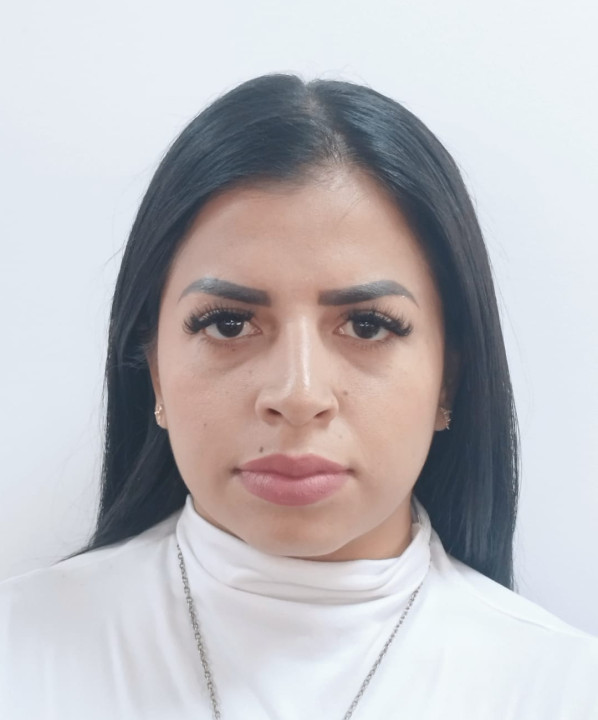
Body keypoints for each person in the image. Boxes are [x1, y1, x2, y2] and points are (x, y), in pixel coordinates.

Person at [0, 73, 596, 720]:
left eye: (367, 326)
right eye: (229, 324)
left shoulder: (564, 691)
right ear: (154, 370)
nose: (298, 394)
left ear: (448, 377)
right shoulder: (20, 656)